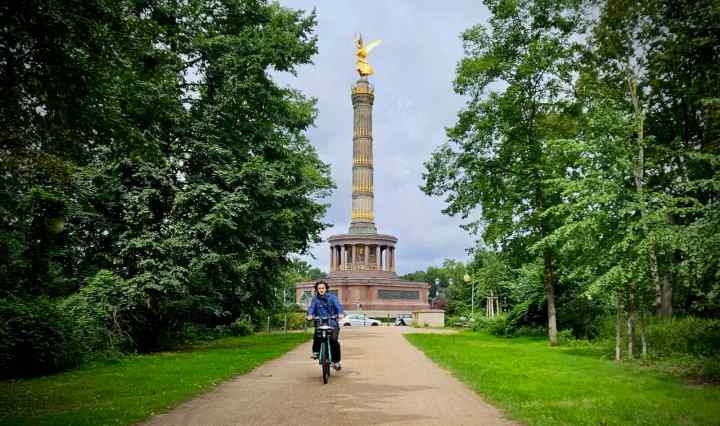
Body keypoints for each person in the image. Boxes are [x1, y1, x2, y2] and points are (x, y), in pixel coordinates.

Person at [306, 280, 344, 370]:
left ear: (326, 289)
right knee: (317, 335)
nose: (321, 290)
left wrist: (340, 313)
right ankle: (316, 352)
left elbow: (338, 306)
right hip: (320, 322)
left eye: (323, 288)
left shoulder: (332, 297)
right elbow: (312, 308)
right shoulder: (315, 299)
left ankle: (336, 361)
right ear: (317, 290)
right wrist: (310, 315)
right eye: (319, 288)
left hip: (332, 322)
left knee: (334, 341)